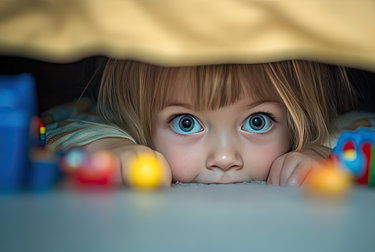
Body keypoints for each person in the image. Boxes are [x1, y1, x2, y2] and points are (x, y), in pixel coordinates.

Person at [45, 59, 355, 187]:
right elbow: (60, 125)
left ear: (298, 120)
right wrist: (112, 146)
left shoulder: (315, 132)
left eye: (257, 122)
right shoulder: (117, 124)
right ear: (136, 120)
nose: (223, 158)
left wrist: (320, 151)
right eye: (186, 124)